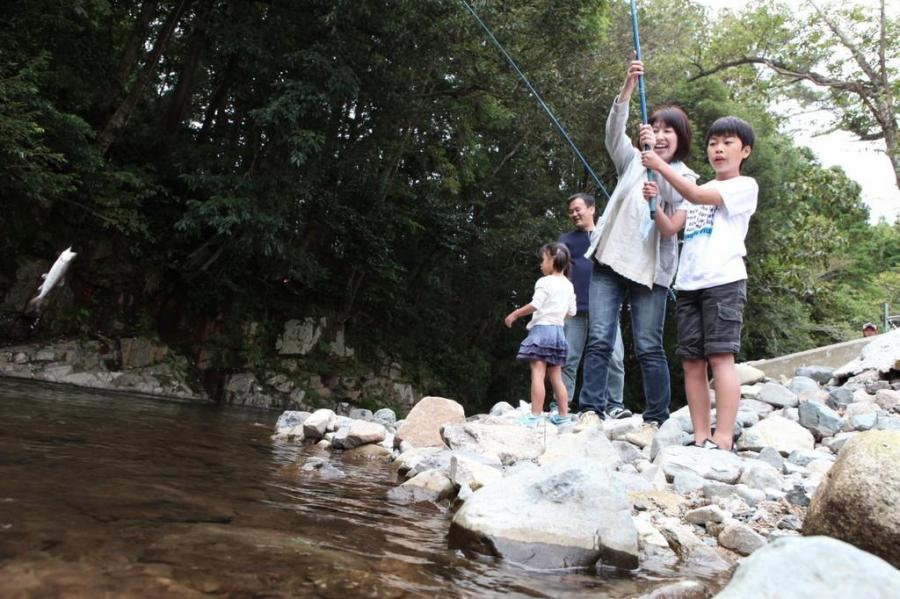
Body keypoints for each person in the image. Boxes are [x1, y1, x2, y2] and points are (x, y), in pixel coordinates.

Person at [580, 59, 697, 428]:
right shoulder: (633, 161)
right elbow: (614, 133)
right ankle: (589, 412)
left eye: (669, 132)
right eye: (656, 129)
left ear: (681, 139)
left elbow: (670, 229)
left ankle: (655, 420)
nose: (661, 136)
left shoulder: (687, 178)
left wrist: (657, 184)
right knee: (599, 339)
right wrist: (628, 87)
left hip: (652, 273)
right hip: (610, 261)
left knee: (648, 347)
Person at [641, 115, 758, 451]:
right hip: (689, 284)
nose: (718, 149)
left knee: (721, 357)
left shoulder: (743, 186)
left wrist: (661, 167)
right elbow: (669, 228)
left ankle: (722, 438)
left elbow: (692, 192)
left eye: (727, 143)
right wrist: (654, 203)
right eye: (713, 143)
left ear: (745, 151)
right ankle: (701, 434)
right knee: (692, 361)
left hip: (724, 281)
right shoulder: (700, 191)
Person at [559, 192, 630, 419]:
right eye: (571, 211)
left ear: (592, 209)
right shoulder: (566, 240)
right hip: (574, 308)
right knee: (569, 358)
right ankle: (562, 405)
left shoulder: (608, 234)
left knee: (615, 357)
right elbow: (556, 271)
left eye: (578, 208)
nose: (574, 214)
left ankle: (614, 405)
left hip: (607, 308)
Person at [504, 242, 577, 427]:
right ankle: (563, 417)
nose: (541, 264)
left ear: (552, 260)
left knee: (537, 374)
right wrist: (558, 316)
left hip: (542, 331)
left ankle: (535, 416)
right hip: (559, 333)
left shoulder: (544, 282)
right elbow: (572, 312)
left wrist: (515, 313)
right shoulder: (569, 285)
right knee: (556, 377)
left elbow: (536, 304)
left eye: (543, 260)